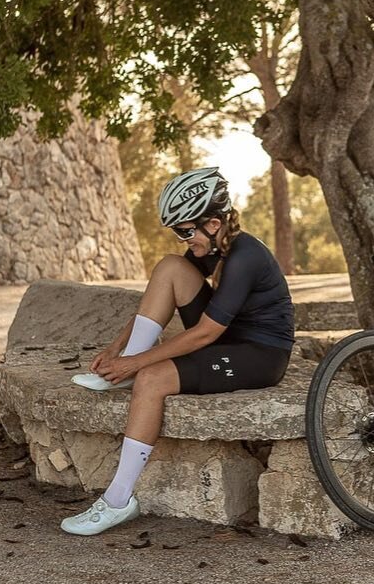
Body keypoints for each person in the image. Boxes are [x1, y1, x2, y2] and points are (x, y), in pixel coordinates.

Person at [61, 167, 295, 536]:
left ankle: (118, 501)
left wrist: (137, 364)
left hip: (260, 355)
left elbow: (205, 333)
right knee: (170, 266)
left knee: (152, 378)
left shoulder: (244, 256)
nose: (185, 240)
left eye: (187, 231)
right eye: (178, 232)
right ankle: (127, 373)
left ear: (214, 223)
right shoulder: (212, 246)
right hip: (228, 339)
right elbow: (160, 298)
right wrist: (117, 349)